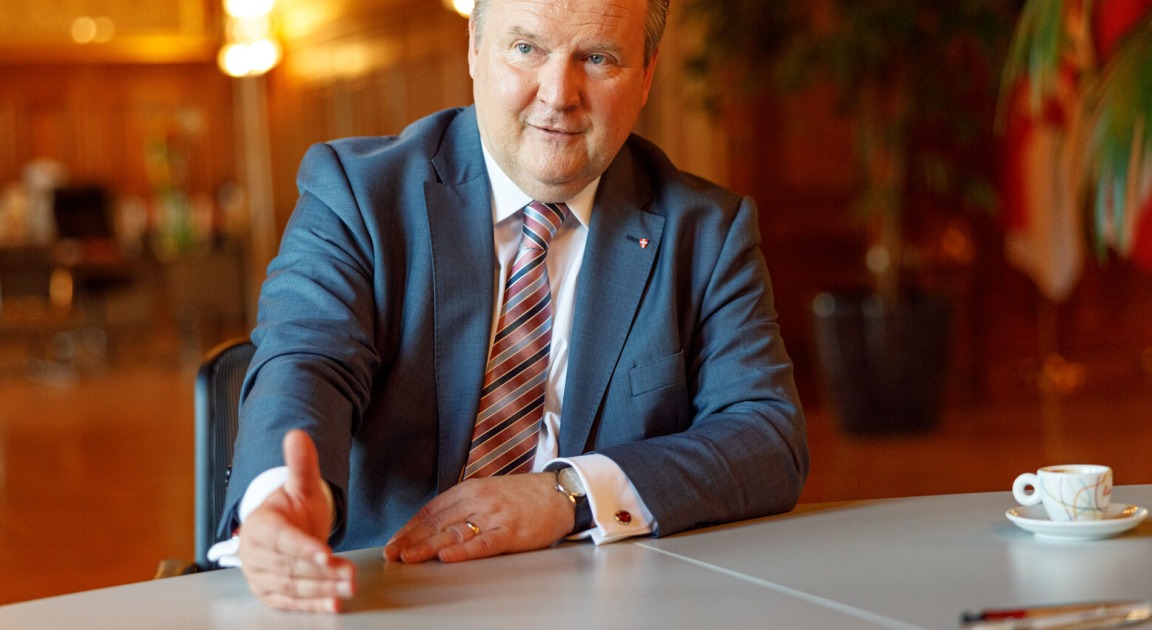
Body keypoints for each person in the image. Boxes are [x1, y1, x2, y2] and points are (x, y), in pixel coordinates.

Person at [213, 0, 809, 613]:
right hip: (384, 595)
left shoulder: (706, 232)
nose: (558, 95)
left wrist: (568, 494)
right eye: (526, 49)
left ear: (647, 74)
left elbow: (767, 437)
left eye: (598, 58)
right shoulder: (359, 195)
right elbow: (308, 361)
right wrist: (283, 494)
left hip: (614, 602)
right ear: (474, 48)